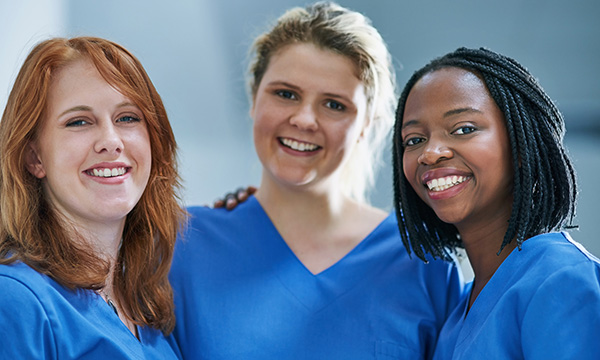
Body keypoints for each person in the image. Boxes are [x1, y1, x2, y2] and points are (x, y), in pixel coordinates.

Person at [169, 2, 463, 359]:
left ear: (366, 126)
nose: (305, 119)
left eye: (334, 105)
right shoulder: (177, 245)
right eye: (286, 94)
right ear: (254, 97)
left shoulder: (423, 264)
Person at [392, 47, 600, 359]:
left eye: (464, 129)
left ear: (520, 144)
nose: (430, 153)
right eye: (414, 140)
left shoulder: (560, 280)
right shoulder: (456, 316)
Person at [0, 36, 186, 359]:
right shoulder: (16, 300)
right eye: (79, 121)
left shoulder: (147, 309)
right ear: (34, 157)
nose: (111, 141)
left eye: (127, 117)